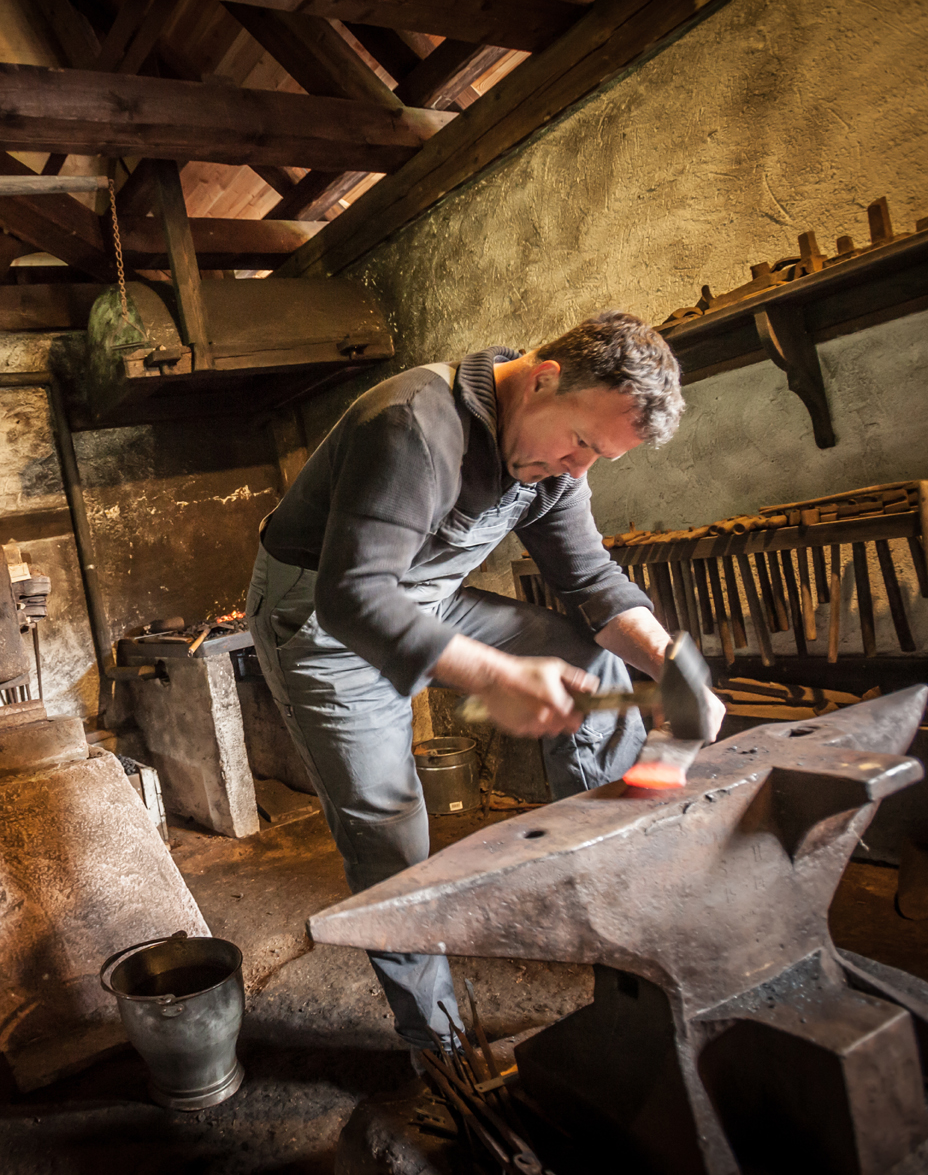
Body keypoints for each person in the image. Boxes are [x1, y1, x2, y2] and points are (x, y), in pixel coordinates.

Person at [244, 311, 723, 1055]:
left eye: (599, 459)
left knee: (594, 660)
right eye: (582, 444)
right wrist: (492, 673)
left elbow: (591, 579)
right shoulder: (413, 424)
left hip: (428, 596)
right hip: (324, 616)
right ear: (542, 380)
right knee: (390, 832)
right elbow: (354, 597)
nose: (579, 470)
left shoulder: (554, 461)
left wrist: (672, 662)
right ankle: (438, 1046)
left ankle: (608, 888)